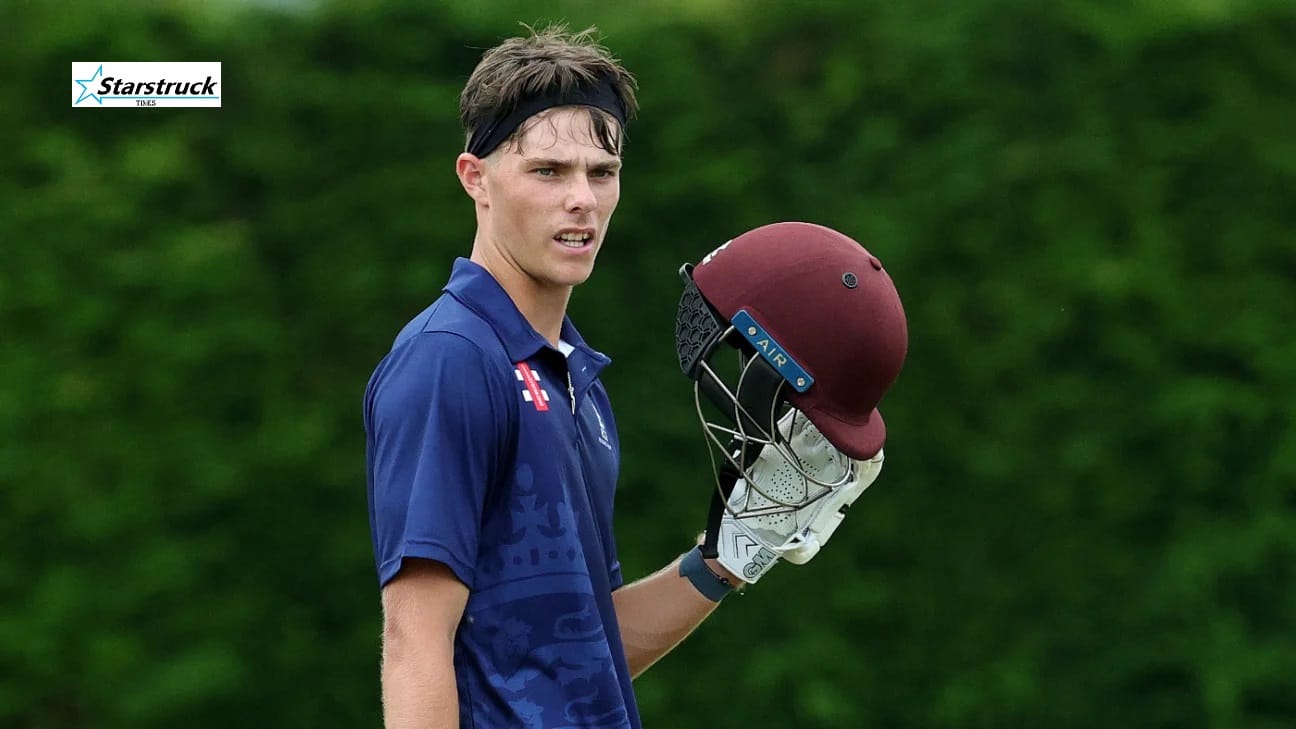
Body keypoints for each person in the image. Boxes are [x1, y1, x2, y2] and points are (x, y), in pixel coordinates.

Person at [364, 23, 908, 729]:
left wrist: (732, 554)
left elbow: (585, 648)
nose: (582, 200)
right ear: (477, 179)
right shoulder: (451, 358)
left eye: (602, 172)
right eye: (548, 171)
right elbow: (415, 637)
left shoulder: (573, 376)